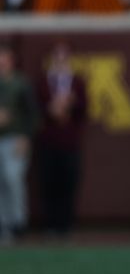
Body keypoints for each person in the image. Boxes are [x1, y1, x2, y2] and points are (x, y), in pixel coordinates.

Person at [35, 42, 88, 236]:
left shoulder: (77, 82)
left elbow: (84, 110)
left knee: (69, 183)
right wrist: (51, 109)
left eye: (64, 57)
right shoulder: (43, 82)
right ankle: (51, 224)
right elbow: (35, 109)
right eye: (57, 57)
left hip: (70, 142)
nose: (60, 61)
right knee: (49, 183)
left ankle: (66, 224)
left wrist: (70, 104)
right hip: (48, 141)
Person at [0, 45, 39, 245]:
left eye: (4, 58)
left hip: (14, 138)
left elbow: (32, 113)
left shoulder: (21, 83)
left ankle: (17, 222)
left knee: (12, 178)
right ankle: (3, 224)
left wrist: (25, 136)